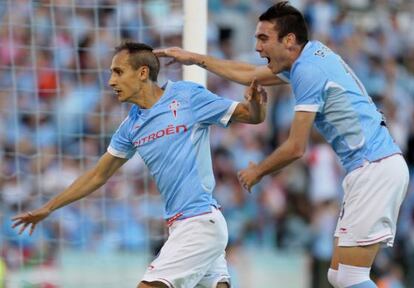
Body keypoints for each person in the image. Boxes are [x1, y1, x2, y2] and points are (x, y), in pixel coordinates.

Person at [154, 2, 409, 288]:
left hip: (374, 168)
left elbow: (296, 146)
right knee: (339, 276)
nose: (258, 48)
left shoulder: (307, 71)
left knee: (350, 277)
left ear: (289, 40)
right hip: (374, 167)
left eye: (263, 39)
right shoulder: (310, 58)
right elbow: (248, 73)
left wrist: (258, 171)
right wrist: (194, 58)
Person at [11, 42, 267, 288]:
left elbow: (253, 116)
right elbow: (97, 176)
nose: (111, 81)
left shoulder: (187, 96)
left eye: (118, 72)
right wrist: (48, 208)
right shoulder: (130, 126)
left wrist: (256, 102)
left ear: (143, 72)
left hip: (199, 222)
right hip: (183, 225)